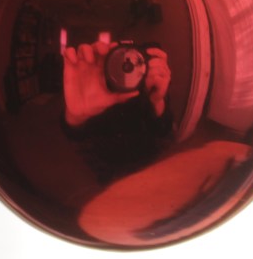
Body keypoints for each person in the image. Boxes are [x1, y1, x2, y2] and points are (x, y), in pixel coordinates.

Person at [61, 41, 173, 183]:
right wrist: (76, 117)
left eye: (137, 59)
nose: (127, 65)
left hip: (149, 169)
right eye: (118, 56)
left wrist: (157, 100)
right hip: (104, 169)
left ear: (149, 62)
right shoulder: (97, 87)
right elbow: (78, 138)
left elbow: (164, 131)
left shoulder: (151, 87)